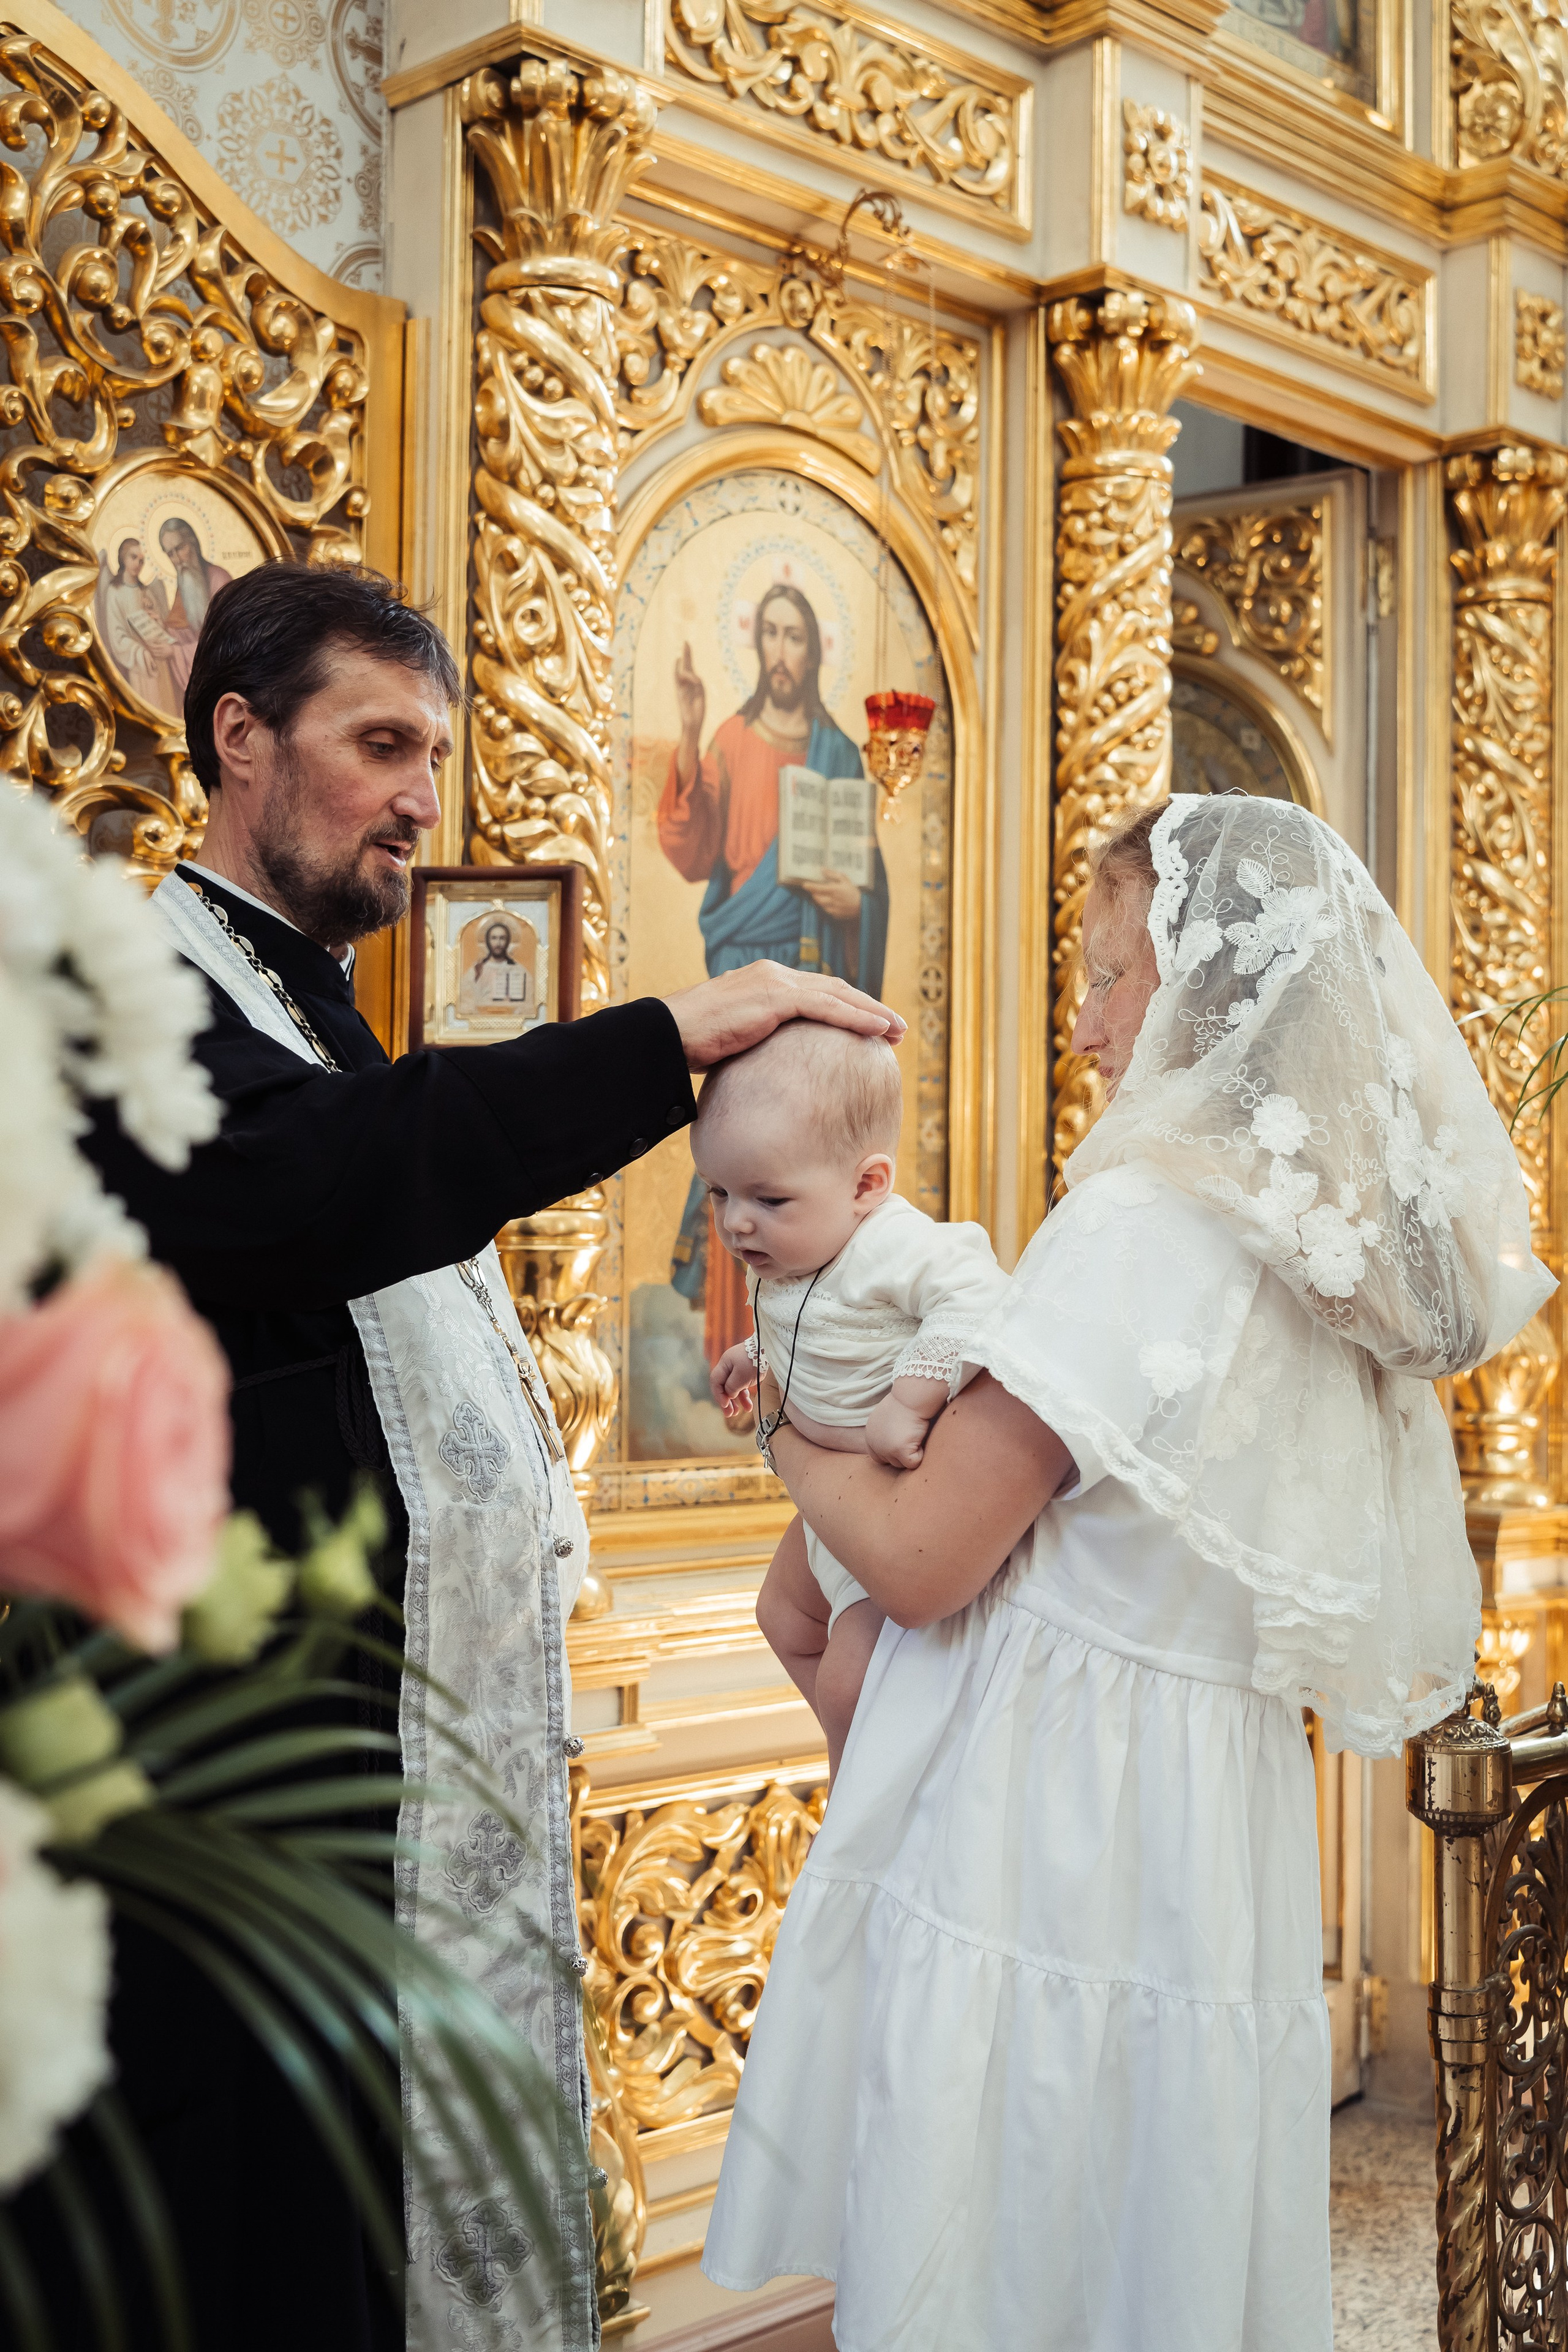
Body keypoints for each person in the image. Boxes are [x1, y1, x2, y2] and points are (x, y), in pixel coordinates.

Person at [78, 560, 905, 2352]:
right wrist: (668, 1039)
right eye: (380, 744)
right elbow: (316, 1177)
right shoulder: (128, 992)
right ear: (240, 736)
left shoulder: (304, 1000)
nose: (422, 800)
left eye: (433, 752)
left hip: (361, 1784)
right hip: (227, 1801)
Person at [703, 792, 1553, 2350]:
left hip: (1050, 1816)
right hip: (1189, 1812)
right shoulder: (1310, 1256)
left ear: (1199, 988)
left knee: (995, 2228)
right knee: (1134, 2231)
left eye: (1105, 973)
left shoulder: (1145, 1225)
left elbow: (919, 1556)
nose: (1085, 1026)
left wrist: (774, 1431)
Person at [695, 1024, 1006, 1777]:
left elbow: (979, 1299)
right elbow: (816, 1330)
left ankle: (863, 1800)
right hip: (829, 1508)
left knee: (849, 1680)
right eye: (720, 1194)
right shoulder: (788, 1246)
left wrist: (910, 1397)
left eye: (767, 1198)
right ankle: (879, 1763)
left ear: (867, 1185)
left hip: (891, 1501)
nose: (737, 1222)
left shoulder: (894, 1244)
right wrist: (755, 1355)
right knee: (781, 1616)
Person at [660, 582, 891, 1367]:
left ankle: (822, 1354)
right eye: (773, 637)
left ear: (814, 651)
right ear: (757, 648)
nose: (784, 653)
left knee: (808, 1162)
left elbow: (871, 882)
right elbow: (692, 851)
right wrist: (689, 732)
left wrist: (851, 902)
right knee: (744, 1163)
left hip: (820, 978)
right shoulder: (730, 739)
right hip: (743, 968)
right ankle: (735, 1348)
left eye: (798, 638)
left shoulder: (840, 752)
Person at [95, 538, 183, 715]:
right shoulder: (115, 592)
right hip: (141, 665)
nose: (138, 564)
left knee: (168, 708)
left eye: (142, 560)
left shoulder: (147, 591)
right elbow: (116, 636)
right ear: (123, 558)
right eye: (133, 557)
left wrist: (157, 622)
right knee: (152, 708)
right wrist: (141, 653)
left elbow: (162, 628)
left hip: (161, 660)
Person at [160, 512, 233, 691]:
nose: (177, 559)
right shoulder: (184, 587)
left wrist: (176, 652)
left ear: (193, 543)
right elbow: (177, 631)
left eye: (180, 548)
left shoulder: (219, 579)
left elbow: (227, 643)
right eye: (170, 553)